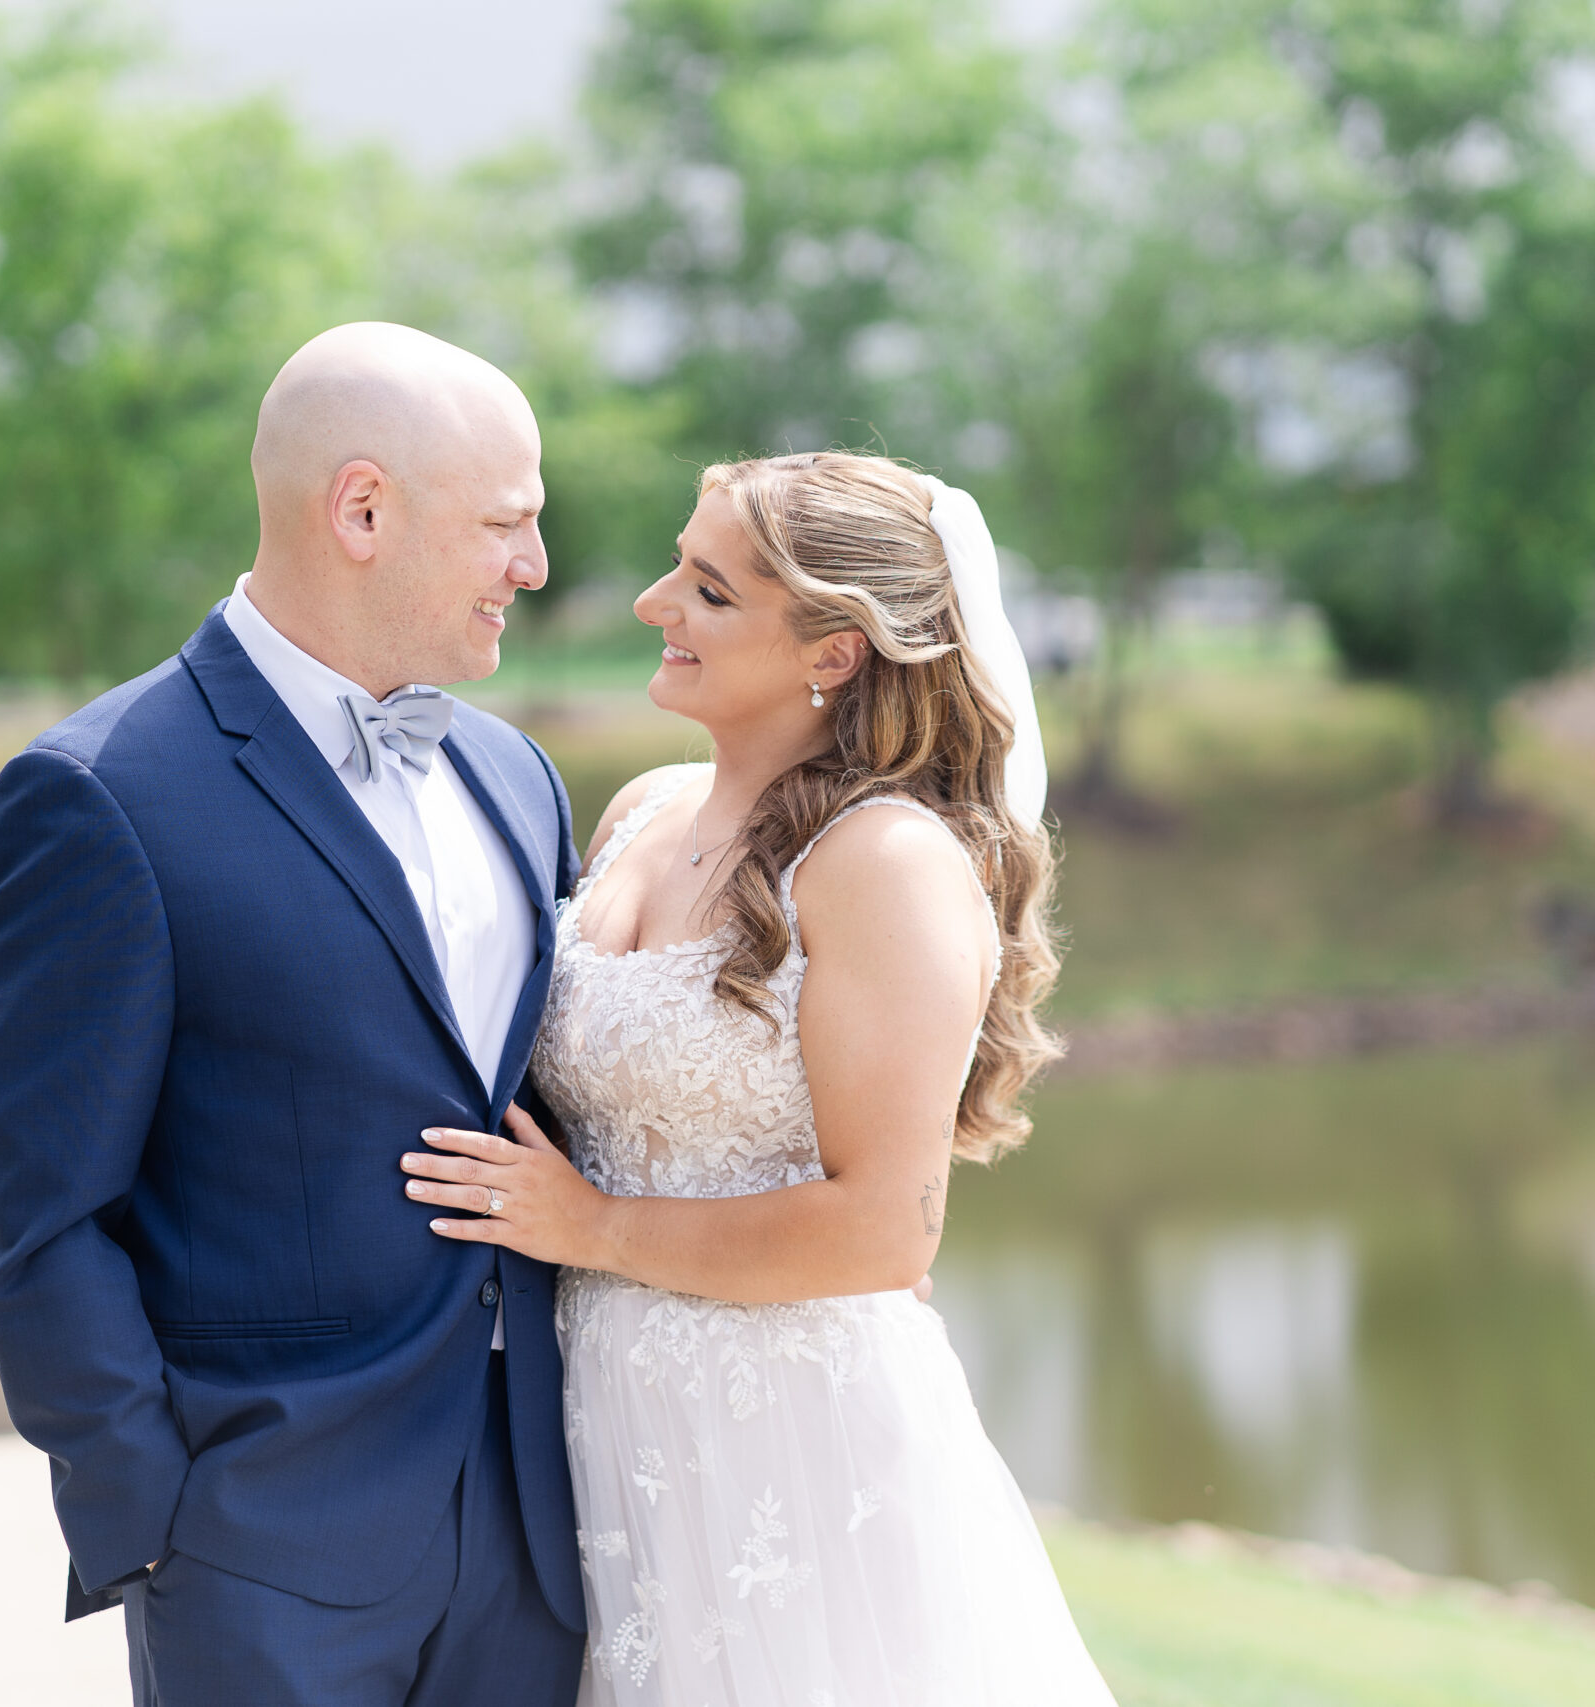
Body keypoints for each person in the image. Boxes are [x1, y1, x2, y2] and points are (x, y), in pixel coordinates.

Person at [399, 452, 1120, 1704]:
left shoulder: (881, 861)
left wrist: (591, 1225)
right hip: (604, 1419)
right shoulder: (638, 815)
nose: (651, 603)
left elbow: (886, 1227)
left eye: (708, 589)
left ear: (831, 652)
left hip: (793, 1437)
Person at [0, 322, 585, 1706]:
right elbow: (32, 1214)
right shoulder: (100, 793)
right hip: (258, 1555)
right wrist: (160, 1517)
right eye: (507, 524)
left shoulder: (520, 776)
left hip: (535, 1541)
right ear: (363, 509)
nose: (533, 567)